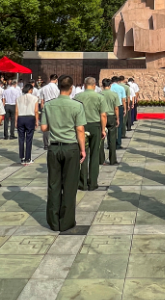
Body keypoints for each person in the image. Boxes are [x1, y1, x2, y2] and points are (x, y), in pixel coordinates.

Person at [41, 75, 85, 233]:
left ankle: (53, 221)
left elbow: (44, 128)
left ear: (59, 87)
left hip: (54, 148)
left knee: (54, 185)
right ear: (71, 88)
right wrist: (83, 149)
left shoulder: (49, 105)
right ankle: (66, 221)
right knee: (69, 185)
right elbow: (80, 129)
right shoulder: (77, 106)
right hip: (70, 147)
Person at [75, 77, 108, 191]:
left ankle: (82, 182)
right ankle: (93, 183)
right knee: (94, 155)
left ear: (84, 85)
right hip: (95, 126)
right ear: (94, 85)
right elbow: (103, 115)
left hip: (81, 126)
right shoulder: (100, 97)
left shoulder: (77, 97)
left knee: (82, 153)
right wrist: (103, 129)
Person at [16, 83, 40, 165]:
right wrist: (37, 120)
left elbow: (16, 111)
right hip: (30, 117)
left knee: (21, 138)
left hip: (21, 117)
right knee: (29, 139)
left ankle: (22, 157)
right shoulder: (34, 98)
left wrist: (16, 121)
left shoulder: (19, 98)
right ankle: (28, 157)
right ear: (30, 90)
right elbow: (36, 110)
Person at [100, 78, 121, 166]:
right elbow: (116, 107)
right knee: (112, 139)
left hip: (101, 117)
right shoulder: (114, 94)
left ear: (102, 85)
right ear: (110, 85)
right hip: (111, 116)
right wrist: (117, 118)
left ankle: (101, 159)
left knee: (101, 138)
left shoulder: (99, 94)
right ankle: (112, 159)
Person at [39, 75, 60, 151]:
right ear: (56, 80)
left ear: (49, 79)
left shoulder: (44, 88)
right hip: (55, 105)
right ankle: (54, 141)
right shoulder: (57, 88)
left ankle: (45, 144)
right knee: (55, 125)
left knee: (45, 125)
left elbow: (41, 100)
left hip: (46, 105)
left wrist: (42, 106)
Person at [2, 76, 22, 140]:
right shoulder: (17, 91)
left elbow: (3, 99)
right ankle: (12, 134)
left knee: (6, 120)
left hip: (7, 105)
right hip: (13, 105)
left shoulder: (5, 90)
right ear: (15, 84)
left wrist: (3, 106)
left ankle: (5, 135)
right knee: (13, 121)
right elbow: (18, 100)